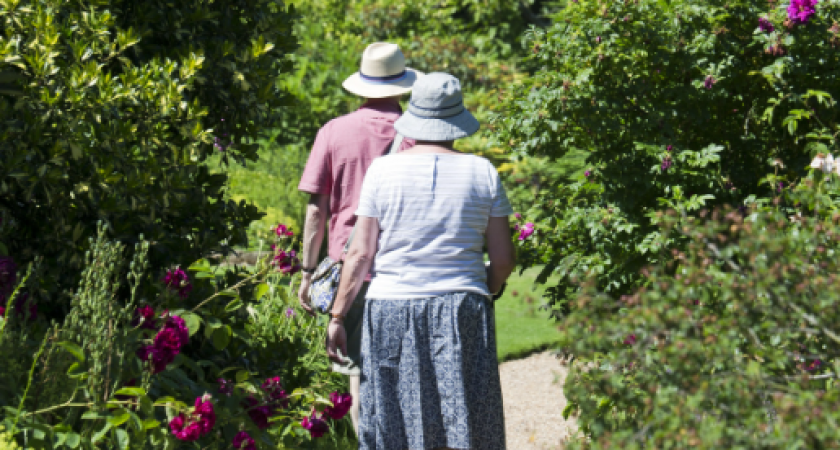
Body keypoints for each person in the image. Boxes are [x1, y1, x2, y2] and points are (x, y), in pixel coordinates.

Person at [326, 72, 515, 450]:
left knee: (393, 420)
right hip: (462, 307)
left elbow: (361, 253)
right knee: (465, 417)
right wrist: (488, 287)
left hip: (392, 307)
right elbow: (503, 258)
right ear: (456, 121)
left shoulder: (382, 171)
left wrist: (337, 316)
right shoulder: (483, 172)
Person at [297, 42, 421, 434]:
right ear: (402, 86)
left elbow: (317, 209)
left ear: (361, 85)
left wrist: (306, 271)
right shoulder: (418, 137)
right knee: (405, 377)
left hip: (350, 270)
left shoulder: (334, 131)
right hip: (403, 270)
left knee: (360, 377)